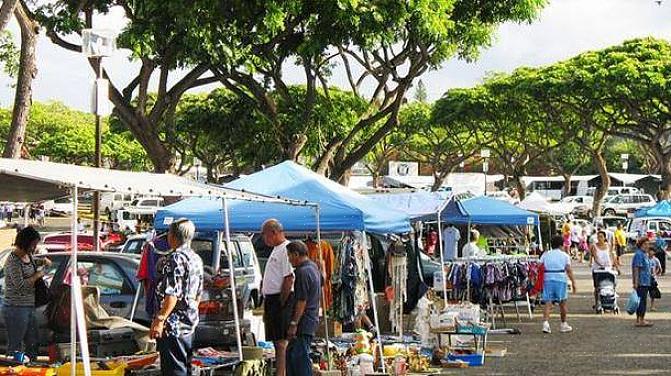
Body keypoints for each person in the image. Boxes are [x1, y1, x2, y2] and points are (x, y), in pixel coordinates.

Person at [150, 218, 203, 376]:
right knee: (186, 368)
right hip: (190, 322)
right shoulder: (195, 258)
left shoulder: (176, 258)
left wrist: (160, 320)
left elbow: (172, 293)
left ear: (173, 236)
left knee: (174, 370)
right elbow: (198, 293)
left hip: (174, 325)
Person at [3, 226, 51, 362]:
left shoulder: (28, 256)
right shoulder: (13, 260)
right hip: (15, 308)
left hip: (29, 306)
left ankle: (32, 365)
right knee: (16, 345)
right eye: (33, 244)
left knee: (32, 342)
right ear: (25, 242)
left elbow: (33, 262)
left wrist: (43, 261)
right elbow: (21, 286)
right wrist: (38, 275)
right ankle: (14, 366)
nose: (34, 247)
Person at [261, 219, 293, 376]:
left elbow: (289, 278)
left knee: (281, 342)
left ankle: (281, 373)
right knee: (275, 340)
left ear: (274, 232)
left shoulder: (286, 249)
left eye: (265, 235)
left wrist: (282, 301)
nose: (264, 239)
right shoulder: (276, 249)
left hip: (280, 300)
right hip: (271, 299)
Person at [285, 241, 321, 376]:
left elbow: (302, 301)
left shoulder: (303, 272)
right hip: (310, 318)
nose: (289, 260)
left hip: (304, 321)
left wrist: (294, 323)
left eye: (289, 256)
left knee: (299, 357)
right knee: (291, 355)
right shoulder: (313, 267)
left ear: (296, 254)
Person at [540, 235, 577, 334]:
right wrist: (573, 283)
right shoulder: (565, 256)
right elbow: (569, 270)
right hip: (560, 278)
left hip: (548, 278)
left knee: (548, 302)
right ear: (562, 244)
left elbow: (540, 266)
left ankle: (546, 323)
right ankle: (563, 324)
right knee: (563, 303)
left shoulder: (546, 254)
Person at [589, 230, 617, 310]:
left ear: (605, 238)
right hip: (598, 269)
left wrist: (614, 265)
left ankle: (610, 301)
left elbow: (612, 255)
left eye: (601, 237)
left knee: (610, 284)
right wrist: (601, 265)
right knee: (597, 286)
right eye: (598, 237)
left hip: (608, 268)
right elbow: (595, 257)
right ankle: (597, 302)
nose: (599, 238)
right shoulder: (594, 246)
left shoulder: (608, 245)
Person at [632, 237, 653, 327]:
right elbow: (636, 269)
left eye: (648, 244)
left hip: (646, 281)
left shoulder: (645, 254)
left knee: (641, 300)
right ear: (640, 245)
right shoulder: (639, 254)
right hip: (641, 282)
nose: (647, 246)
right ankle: (641, 320)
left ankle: (639, 319)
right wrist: (636, 282)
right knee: (642, 301)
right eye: (645, 244)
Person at [648, 246, 662, 311]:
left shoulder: (656, 260)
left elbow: (659, 268)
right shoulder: (645, 259)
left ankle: (652, 306)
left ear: (654, 252)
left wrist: (656, 274)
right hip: (645, 278)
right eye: (649, 251)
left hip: (653, 279)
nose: (650, 252)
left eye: (652, 251)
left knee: (652, 294)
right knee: (644, 293)